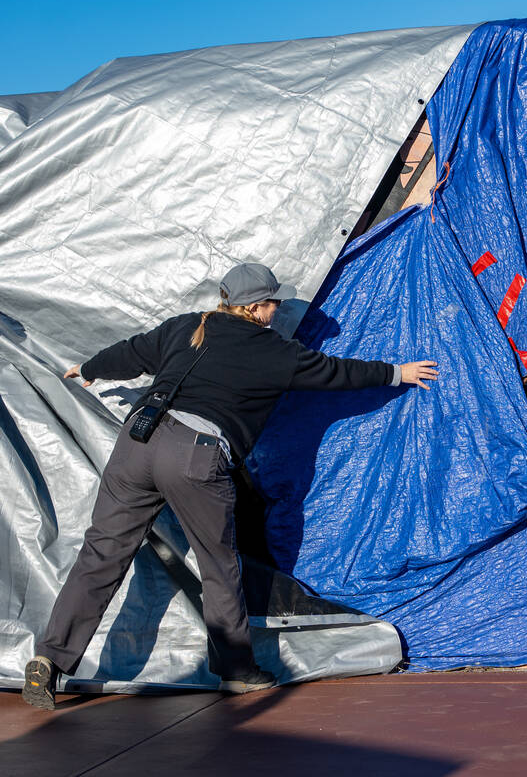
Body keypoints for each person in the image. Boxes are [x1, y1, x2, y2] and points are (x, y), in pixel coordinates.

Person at [22, 263, 437, 710]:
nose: (277, 309)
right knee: (219, 566)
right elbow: (337, 372)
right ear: (257, 307)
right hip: (194, 455)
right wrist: (398, 373)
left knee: (102, 553)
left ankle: (50, 658)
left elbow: (132, 352)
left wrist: (89, 367)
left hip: (137, 442)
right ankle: (238, 671)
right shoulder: (276, 352)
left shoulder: (188, 326)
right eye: (274, 302)